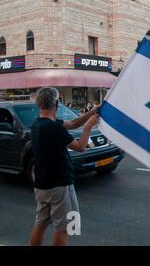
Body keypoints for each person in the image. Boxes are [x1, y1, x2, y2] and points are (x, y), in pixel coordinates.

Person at [29, 87, 100, 246]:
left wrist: (92, 111)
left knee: (40, 224)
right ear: (57, 103)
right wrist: (89, 126)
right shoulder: (54, 128)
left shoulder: (38, 124)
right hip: (59, 185)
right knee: (65, 228)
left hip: (42, 184)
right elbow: (81, 146)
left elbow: (74, 123)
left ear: (39, 104)